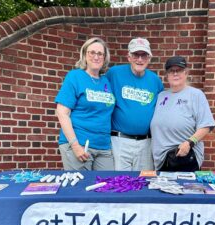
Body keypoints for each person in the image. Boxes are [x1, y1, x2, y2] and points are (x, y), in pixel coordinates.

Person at [55, 37, 115, 170]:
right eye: (92, 52)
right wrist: (75, 145)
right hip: (80, 144)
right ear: (84, 55)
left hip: (103, 147)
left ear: (105, 58)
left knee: (106, 187)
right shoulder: (75, 76)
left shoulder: (106, 81)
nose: (96, 57)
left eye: (100, 54)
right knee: (79, 188)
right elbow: (62, 113)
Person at [106, 37, 164, 171]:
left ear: (149, 58)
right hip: (120, 141)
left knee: (143, 182)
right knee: (119, 183)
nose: (140, 59)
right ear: (129, 57)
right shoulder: (114, 73)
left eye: (144, 55)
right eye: (136, 55)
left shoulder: (155, 80)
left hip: (146, 142)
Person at [150, 56, 215, 171]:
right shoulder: (161, 96)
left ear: (186, 73)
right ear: (167, 75)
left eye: (179, 70)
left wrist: (189, 143)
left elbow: (206, 125)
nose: (175, 74)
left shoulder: (196, 95)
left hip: (183, 156)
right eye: (171, 71)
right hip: (161, 160)